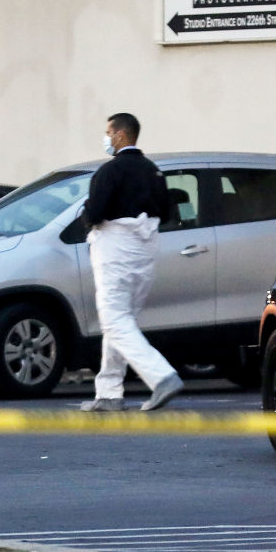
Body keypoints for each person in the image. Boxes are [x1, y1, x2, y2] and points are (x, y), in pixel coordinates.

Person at [80, 113, 183, 412]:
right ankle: (109, 392)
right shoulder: (153, 171)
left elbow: (95, 211)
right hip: (145, 249)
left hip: (116, 249)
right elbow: (165, 211)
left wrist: (87, 217)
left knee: (114, 320)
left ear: (121, 135)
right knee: (123, 320)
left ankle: (161, 376)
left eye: (108, 132)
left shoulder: (110, 171)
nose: (106, 138)